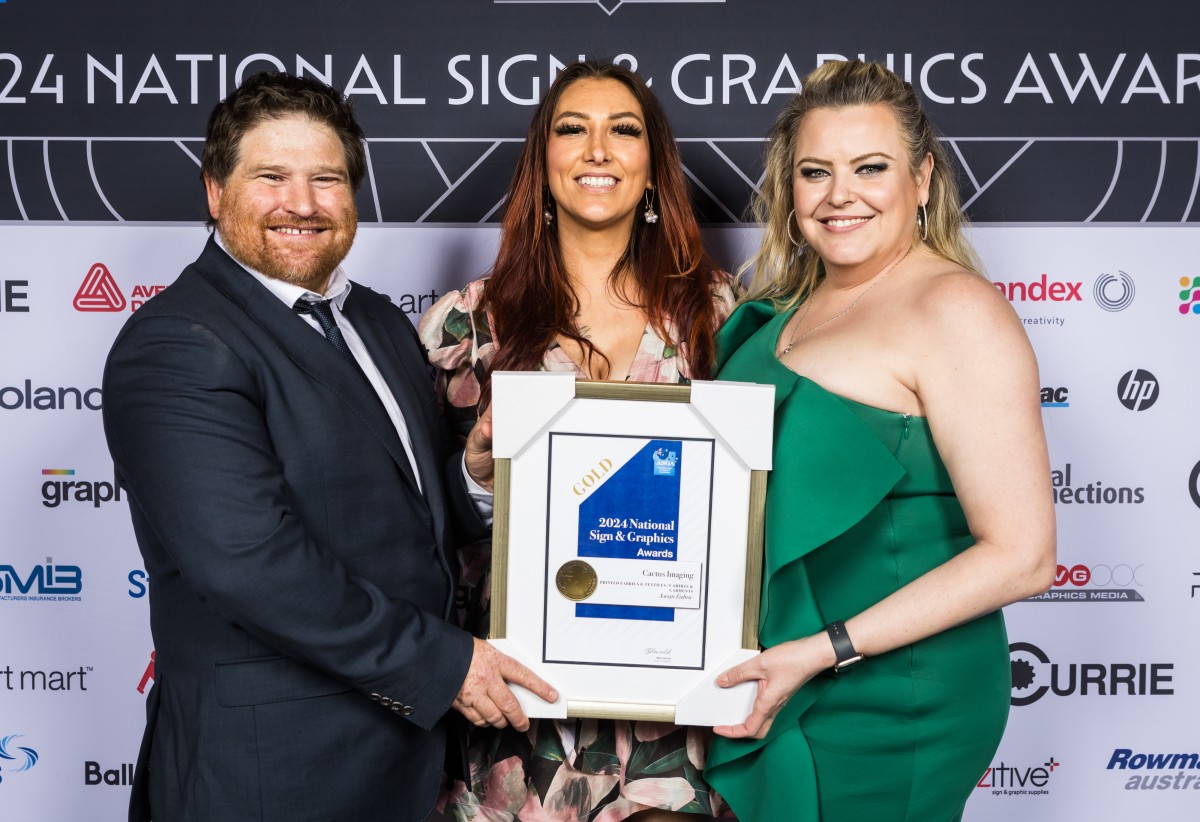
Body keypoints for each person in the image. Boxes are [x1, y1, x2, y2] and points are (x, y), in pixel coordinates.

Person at [102, 71, 556, 822]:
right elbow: (250, 563)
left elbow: (393, 521)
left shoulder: (376, 322)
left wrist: (471, 480)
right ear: (215, 191)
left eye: (327, 179)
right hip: (266, 774)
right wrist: (445, 664)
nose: (304, 204)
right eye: (271, 177)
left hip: (403, 764)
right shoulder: (177, 343)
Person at [703, 60, 1056, 820]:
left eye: (870, 168)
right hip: (777, 676)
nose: (840, 195)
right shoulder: (789, 307)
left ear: (921, 179)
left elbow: (1022, 556)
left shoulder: (955, 309)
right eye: (815, 172)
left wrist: (823, 649)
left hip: (892, 697)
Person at [419, 61, 739, 821]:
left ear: (653, 168)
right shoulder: (468, 327)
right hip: (516, 708)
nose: (598, 149)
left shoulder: (721, 316)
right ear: (543, 161)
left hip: (677, 716)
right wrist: (476, 476)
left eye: (623, 130)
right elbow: (419, 528)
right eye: (573, 129)